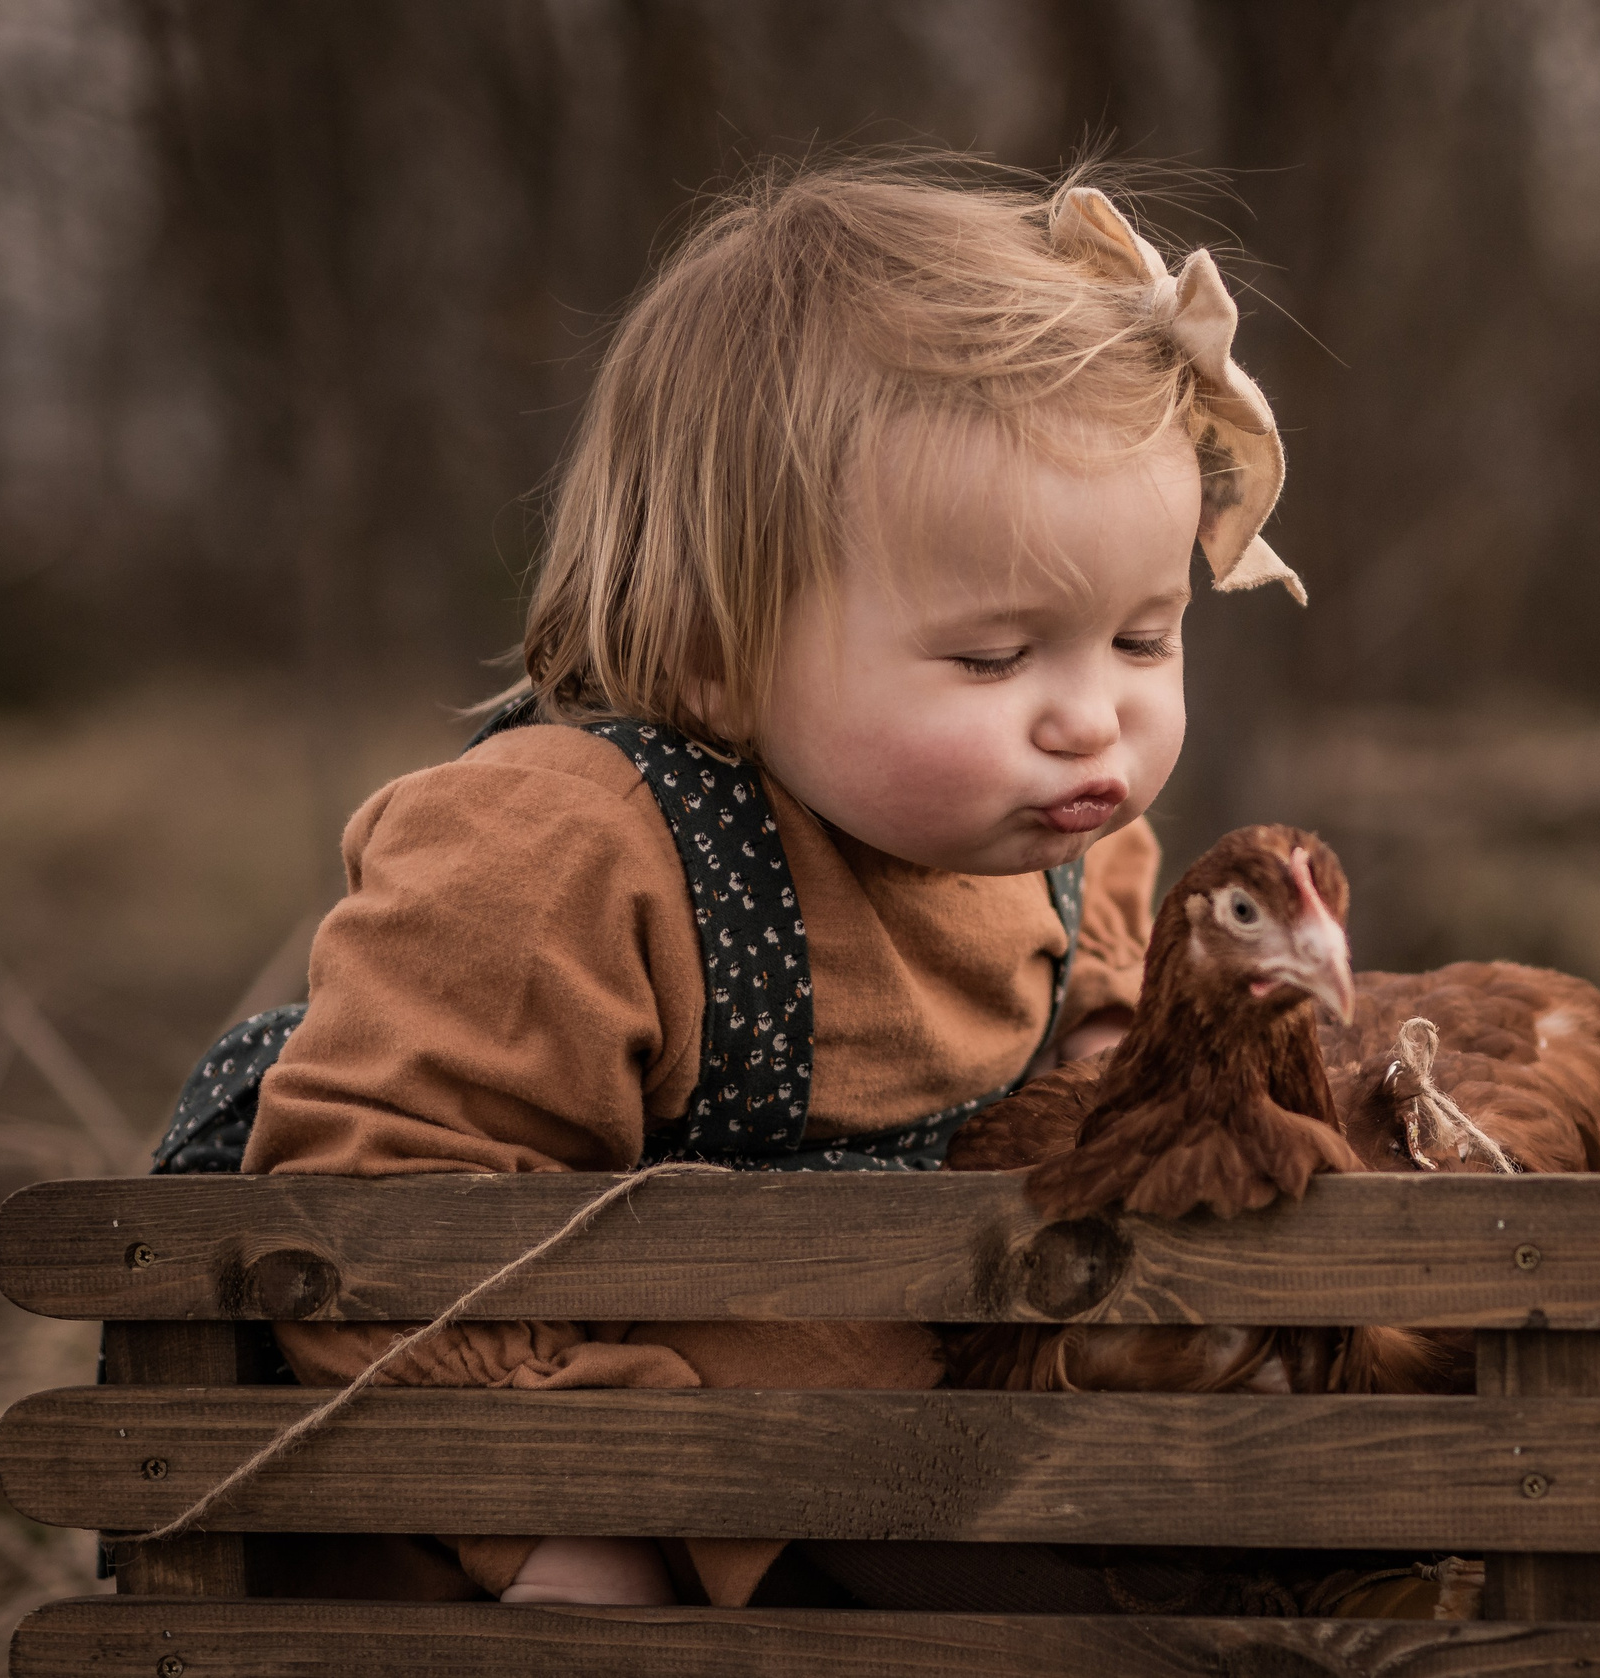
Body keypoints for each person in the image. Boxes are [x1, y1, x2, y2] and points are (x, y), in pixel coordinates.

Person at [234, 157, 1304, 1610]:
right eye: (993, 656)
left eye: (1143, 639)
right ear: (712, 655)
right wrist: (562, 1512)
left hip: (873, 1400)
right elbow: (371, 1217)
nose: (1088, 718)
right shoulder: (573, 852)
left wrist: (1122, 1075)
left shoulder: (1067, 835)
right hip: (489, 1447)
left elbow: (1099, 988)